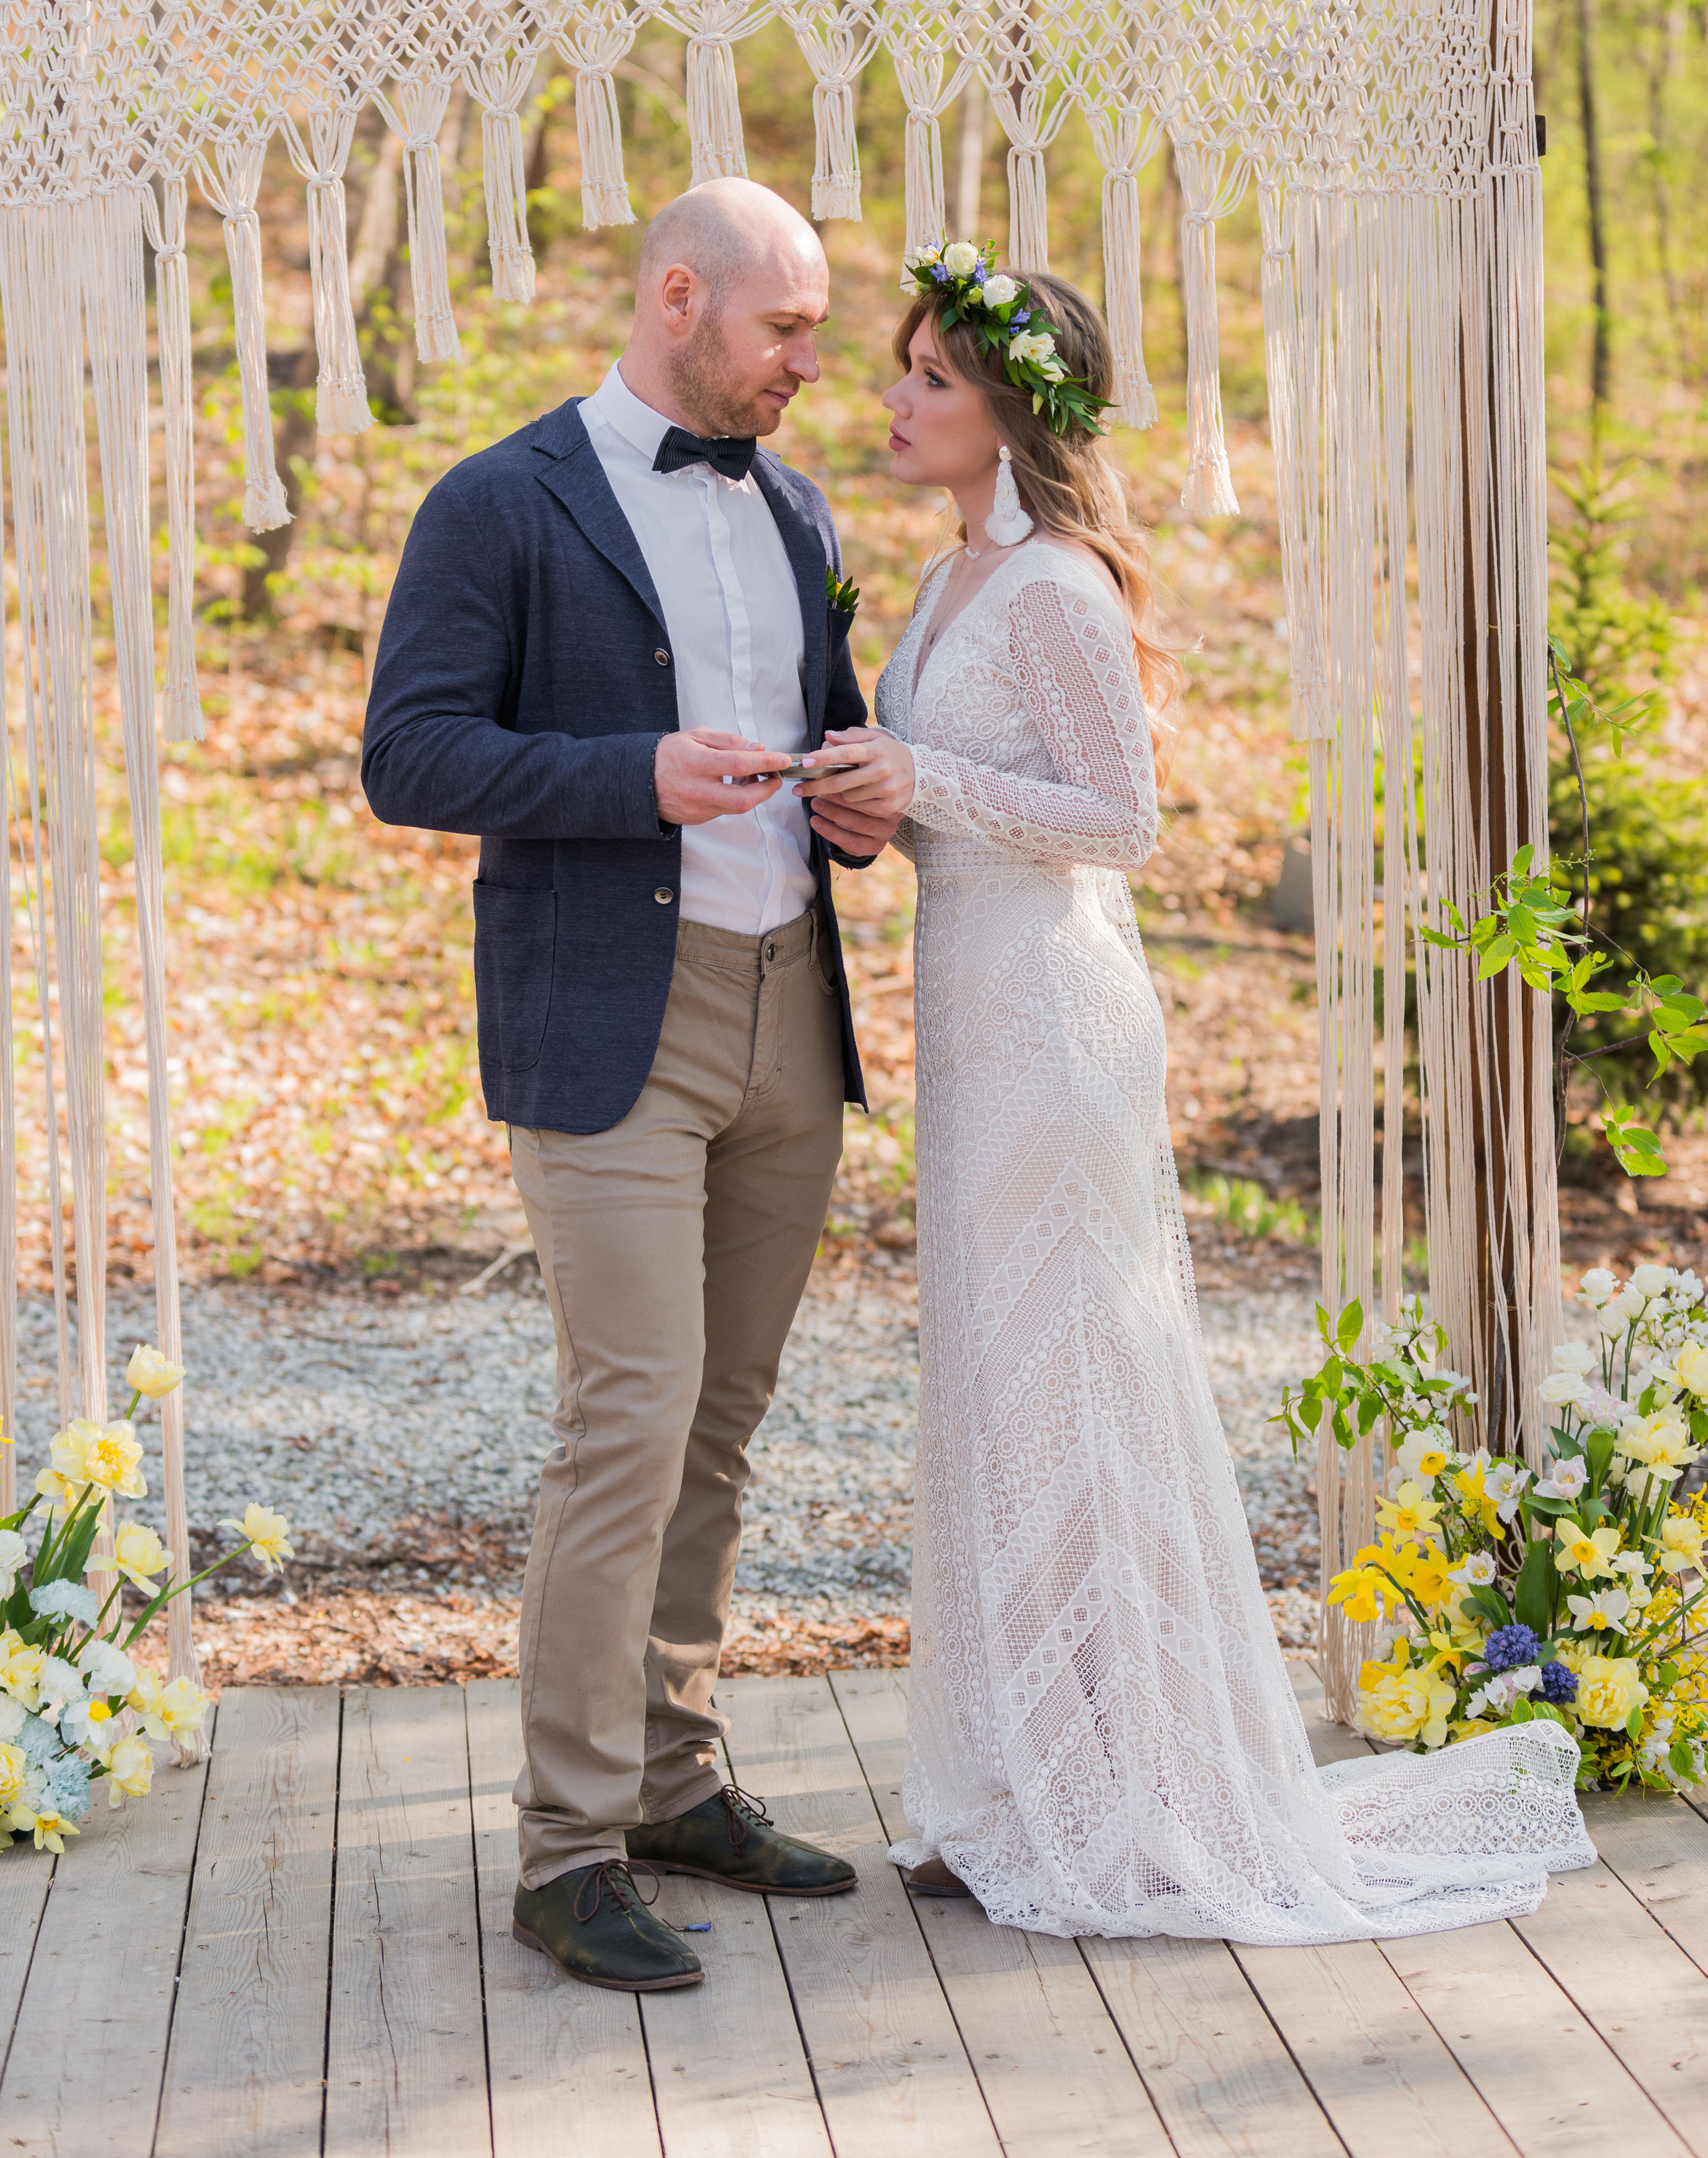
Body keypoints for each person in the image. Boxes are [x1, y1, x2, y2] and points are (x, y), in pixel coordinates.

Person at [797, 243, 1592, 1944]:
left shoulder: (1058, 588)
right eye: (903, 371)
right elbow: (967, 799)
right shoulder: (943, 588)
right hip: (971, 1011)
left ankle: (1131, 1785)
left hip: (1057, 1028)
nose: (893, 400)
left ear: (1008, 412)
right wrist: (872, 804)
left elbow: (1118, 818)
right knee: (1001, 1397)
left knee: (1075, 1388)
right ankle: (1015, 1781)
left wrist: (920, 770)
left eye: (929, 377)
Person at [362, 181, 897, 1994]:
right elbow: (409, 752)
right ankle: (568, 1845)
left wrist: (858, 792)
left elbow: (836, 710)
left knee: (721, 1425)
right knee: (629, 1418)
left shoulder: (801, 509)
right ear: (680, 296)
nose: (814, 365)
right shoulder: (499, 504)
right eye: (788, 329)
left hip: (788, 1021)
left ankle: (677, 1780)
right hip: (612, 1021)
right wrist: (631, 774)